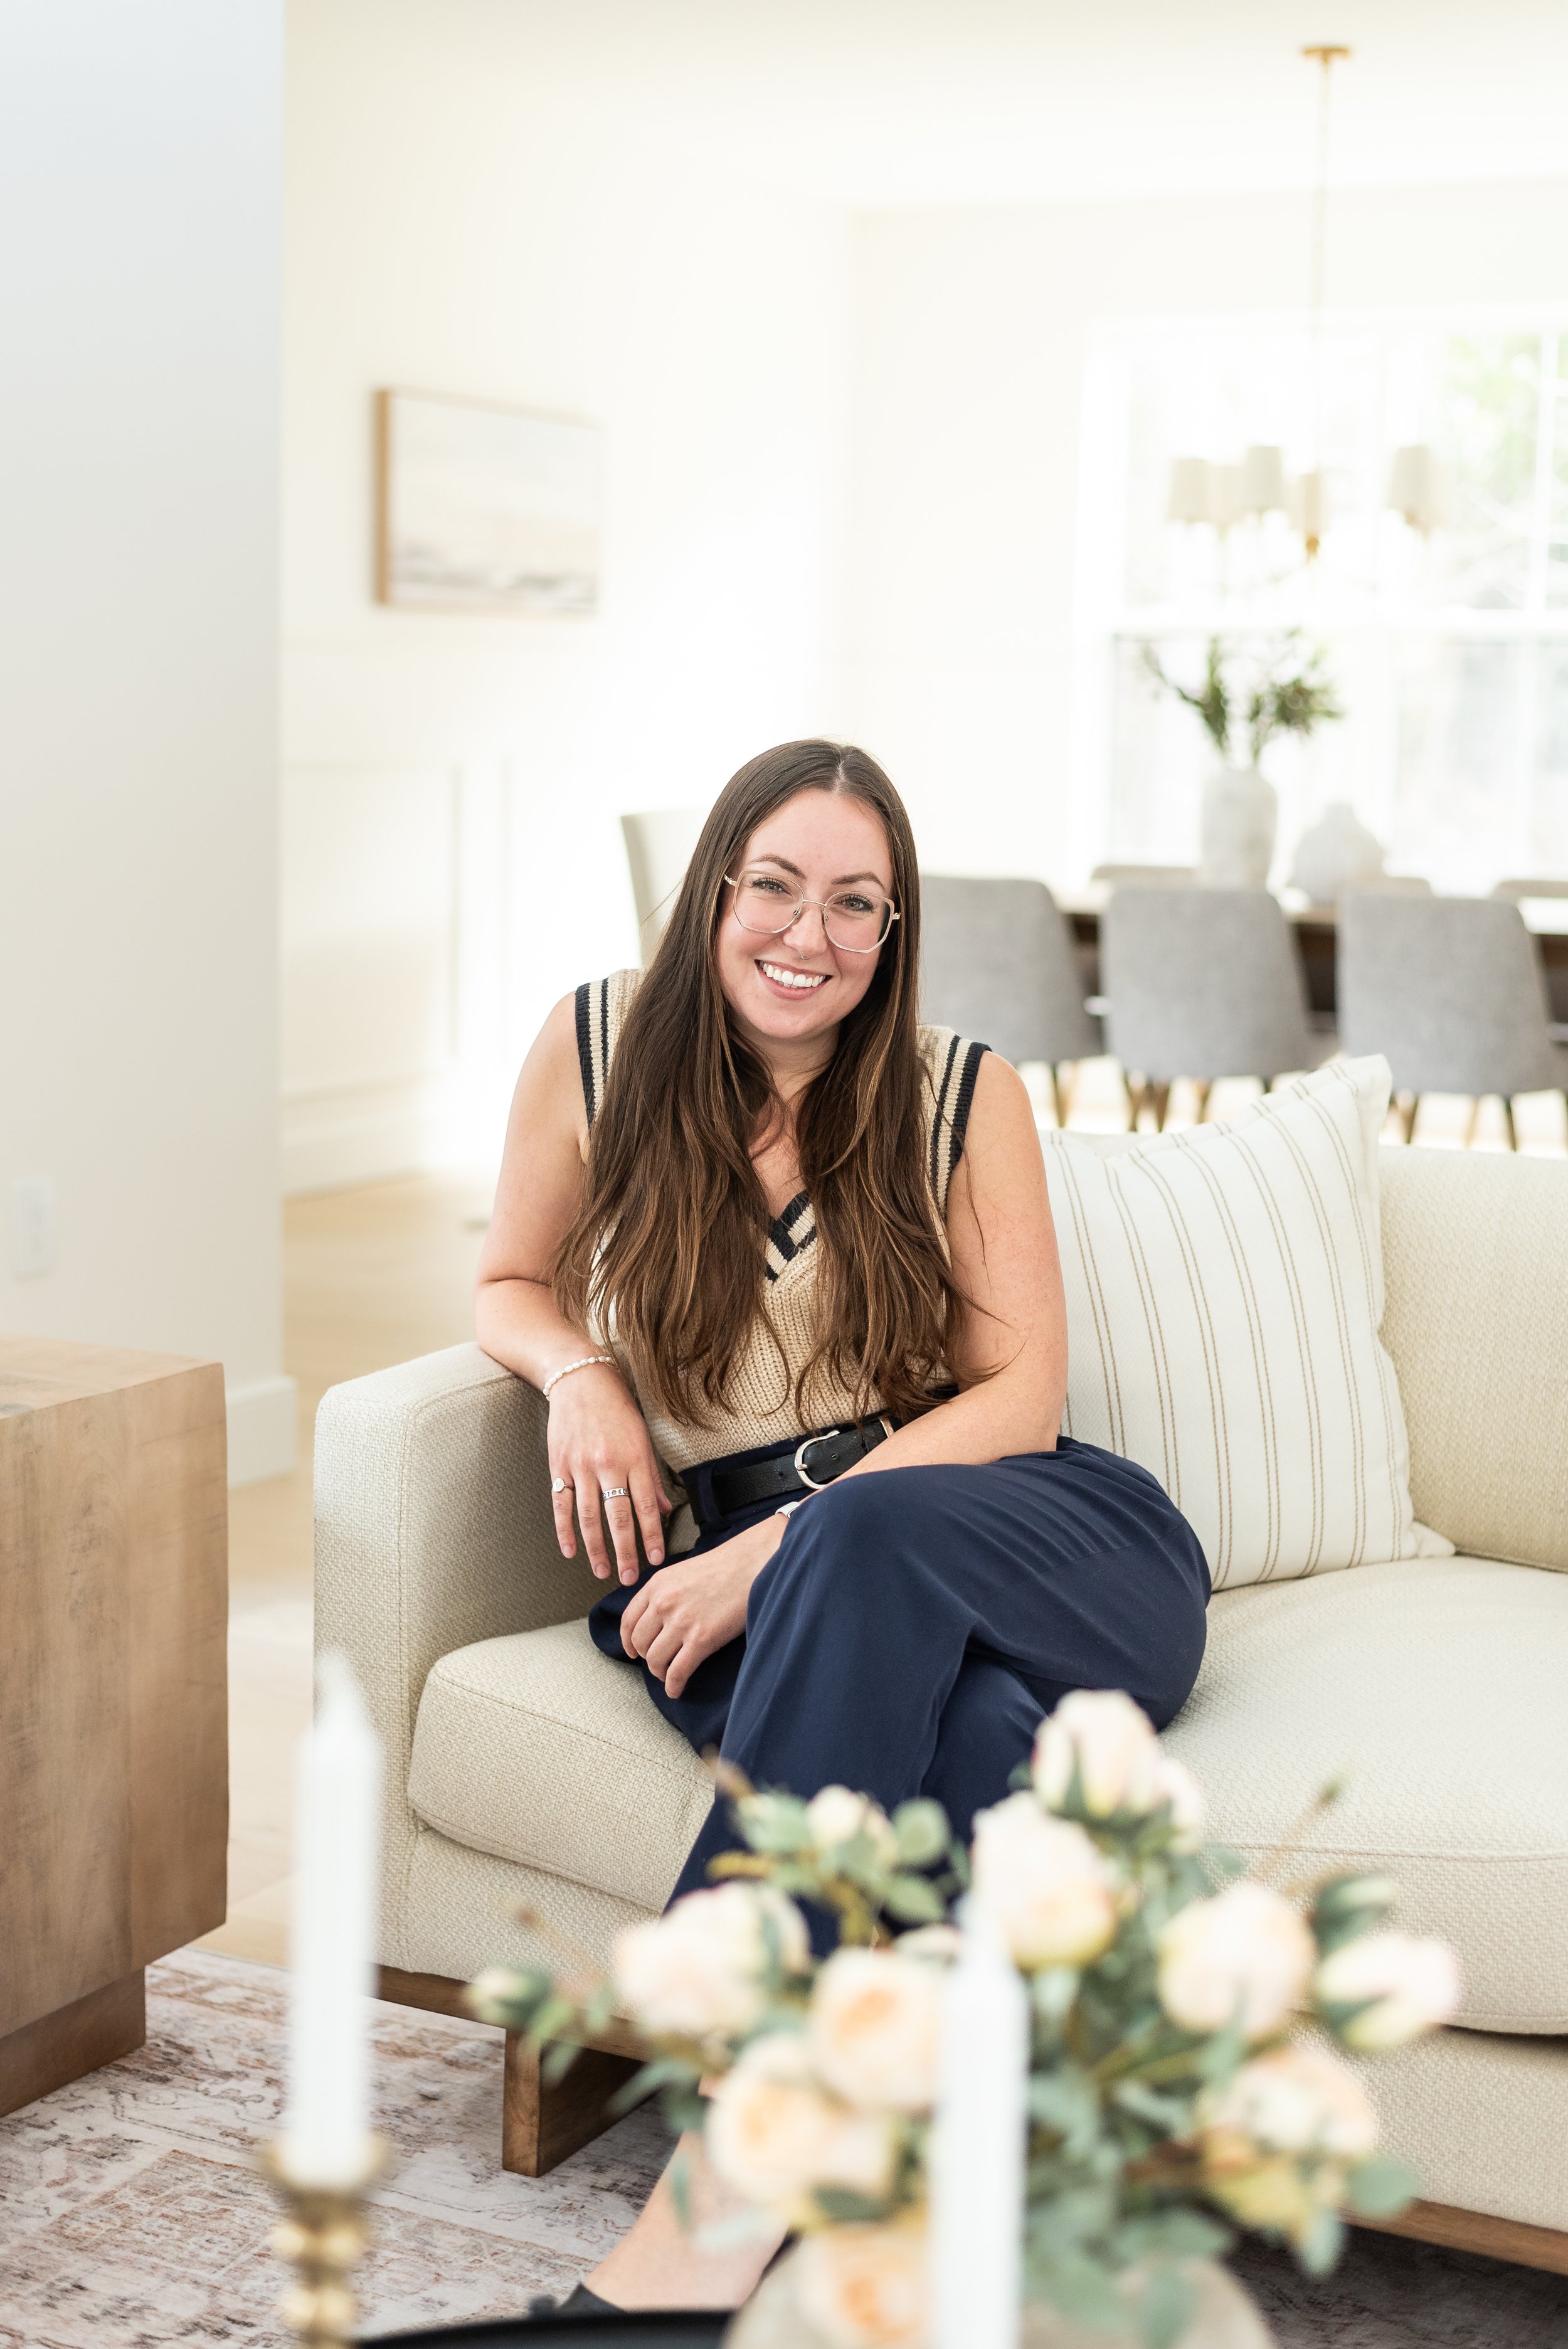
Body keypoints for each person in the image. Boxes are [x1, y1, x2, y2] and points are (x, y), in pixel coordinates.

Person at [475, 738, 1210, 2314]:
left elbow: (1015, 1400)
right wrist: (578, 1371)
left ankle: (704, 2215)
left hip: (1021, 1531)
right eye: (778, 888)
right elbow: (506, 1281)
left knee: (863, 1544)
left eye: (856, 905)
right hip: (753, 1585)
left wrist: (773, 1548)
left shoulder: (960, 1091)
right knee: (978, 1755)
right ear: (716, 888)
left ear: (892, 934)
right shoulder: (595, 1046)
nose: (809, 935)